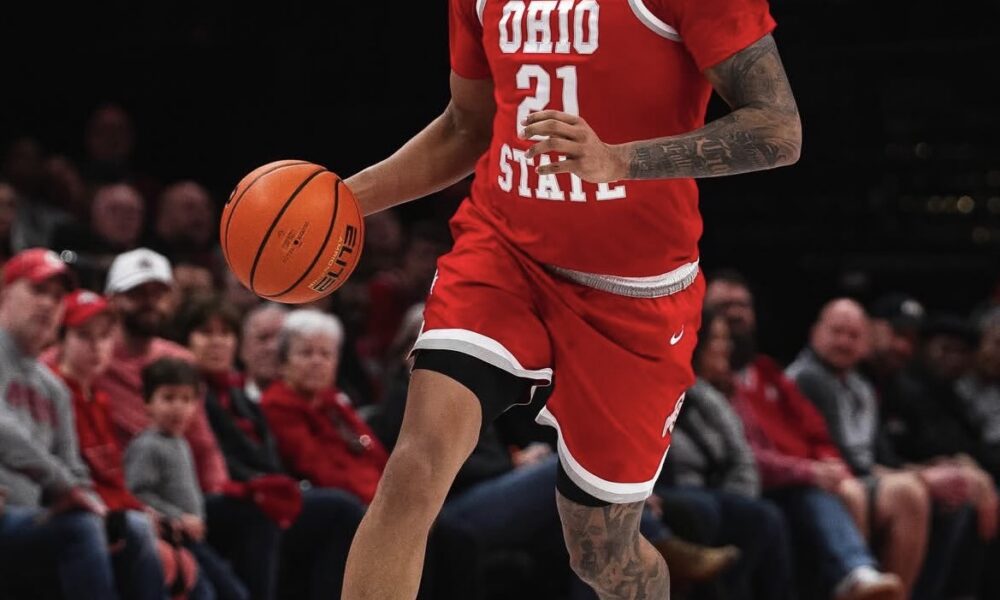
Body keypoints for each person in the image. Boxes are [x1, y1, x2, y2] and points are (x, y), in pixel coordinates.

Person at [336, 0, 803, 596]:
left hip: (635, 293)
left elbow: (778, 129)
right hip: (503, 253)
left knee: (603, 554)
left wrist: (620, 160)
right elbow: (465, 127)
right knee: (415, 467)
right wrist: (338, 202)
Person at [704, 273, 903, 599]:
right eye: (726, 307)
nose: (736, 315)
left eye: (743, 305)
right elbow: (744, 458)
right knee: (813, 497)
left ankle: (872, 581)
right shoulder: (711, 386)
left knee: (853, 491)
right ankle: (856, 574)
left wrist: (826, 464)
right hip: (753, 482)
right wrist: (811, 471)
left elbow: (813, 430)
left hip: (786, 474)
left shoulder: (767, 371)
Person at [175, 296, 366, 600]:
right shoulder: (183, 395)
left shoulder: (242, 400)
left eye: (225, 334)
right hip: (210, 499)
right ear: (185, 341)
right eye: (206, 333)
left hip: (258, 493)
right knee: (272, 510)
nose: (217, 343)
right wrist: (263, 486)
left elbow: (271, 460)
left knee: (339, 510)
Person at [786, 299, 929, 595]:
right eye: (836, 332)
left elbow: (880, 452)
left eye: (853, 335)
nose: (844, 342)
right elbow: (834, 451)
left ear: (866, 343)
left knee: (912, 491)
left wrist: (920, 471)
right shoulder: (806, 378)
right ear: (815, 333)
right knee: (899, 491)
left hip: (861, 474)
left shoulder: (862, 386)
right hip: (822, 475)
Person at [51, 289, 186, 600]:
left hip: (111, 508)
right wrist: (133, 511)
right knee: (139, 531)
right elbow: (79, 475)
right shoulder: (57, 392)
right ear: (61, 340)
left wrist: (143, 508)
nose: (97, 347)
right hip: (81, 510)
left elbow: (112, 475)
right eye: (84, 336)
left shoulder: (98, 397)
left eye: (104, 336)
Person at [0, 248, 118, 599]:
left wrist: (97, 508)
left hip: (31, 517)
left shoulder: (54, 388)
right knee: (80, 530)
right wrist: (63, 484)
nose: (49, 305)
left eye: (57, 296)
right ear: (5, 295)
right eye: (38, 291)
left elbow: (74, 469)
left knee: (130, 532)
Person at [657, 307, 794, 600]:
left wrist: (735, 498)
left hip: (719, 492)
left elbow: (742, 457)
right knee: (706, 510)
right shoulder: (658, 388)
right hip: (670, 490)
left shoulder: (708, 396)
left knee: (764, 517)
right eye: (718, 338)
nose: (726, 346)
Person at [125, 357, 248, 600]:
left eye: (186, 399)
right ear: (148, 402)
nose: (178, 407)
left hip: (192, 540)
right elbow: (137, 494)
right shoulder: (147, 446)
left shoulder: (181, 443)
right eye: (169, 398)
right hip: (172, 539)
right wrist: (176, 518)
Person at [240, 303, 288, 403]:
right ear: (243, 348)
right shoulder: (224, 400)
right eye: (262, 338)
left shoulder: (319, 404)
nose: (273, 348)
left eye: (281, 340)